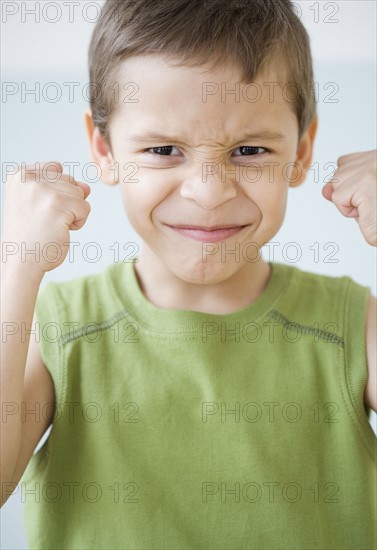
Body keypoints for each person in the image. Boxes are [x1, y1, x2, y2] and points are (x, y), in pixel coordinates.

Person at [1, 0, 376, 548]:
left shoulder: (352, 327)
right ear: (103, 151)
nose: (208, 190)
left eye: (249, 150)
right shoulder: (57, 329)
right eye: (162, 149)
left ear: (301, 151)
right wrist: (17, 266)